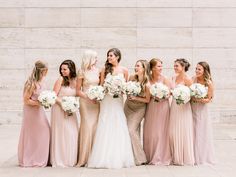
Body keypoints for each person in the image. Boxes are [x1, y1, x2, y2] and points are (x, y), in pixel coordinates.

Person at [87, 48, 135, 169]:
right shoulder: (104, 69)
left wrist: (123, 90)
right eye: (108, 55)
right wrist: (100, 93)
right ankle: (103, 157)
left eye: (111, 55)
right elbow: (102, 85)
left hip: (117, 100)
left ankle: (120, 156)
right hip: (107, 100)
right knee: (105, 123)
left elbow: (125, 87)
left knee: (118, 122)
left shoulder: (124, 70)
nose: (109, 57)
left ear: (118, 57)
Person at [18, 60, 50, 167]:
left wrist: (47, 101)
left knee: (44, 132)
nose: (47, 72)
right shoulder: (31, 83)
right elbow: (26, 100)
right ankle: (31, 158)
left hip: (39, 111)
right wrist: (39, 103)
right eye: (46, 70)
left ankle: (40, 157)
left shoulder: (43, 82)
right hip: (31, 112)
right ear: (42, 71)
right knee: (32, 135)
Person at [50, 60, 79, 167]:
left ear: (71, 69)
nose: (62, 71)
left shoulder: (75, 80)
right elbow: (54, 95)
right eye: (61, 69)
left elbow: (77, 95)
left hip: (71, 110)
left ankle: (70, 159)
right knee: (61, 134)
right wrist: (63, 104)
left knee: (72, 133)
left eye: (65, 69)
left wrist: (73, 105)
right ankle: (60, 159)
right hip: (59, 109)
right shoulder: (60, 79)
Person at [143, 58, 172, 165]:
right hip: (151, 106)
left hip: (163, 107)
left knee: (160, 132)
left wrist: (162, 95)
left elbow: (170, 93)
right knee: (150, 131)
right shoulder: (148, 79)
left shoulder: (165, 79)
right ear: (152, 68)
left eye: (161, 66)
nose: (161, 68)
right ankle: (149, 155)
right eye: (158, 66)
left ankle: (161, 155)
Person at [76, 50, 100, 167]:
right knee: (87, 127)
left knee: (95, 127)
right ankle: (83, 158)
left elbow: (100, 86)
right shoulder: (81, 71)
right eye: (95, 58)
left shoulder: (98, 71)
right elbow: (78, 90)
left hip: (96, 102)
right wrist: (88, 97)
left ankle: (93, 157)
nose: (97, 60)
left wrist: (97, 95)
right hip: (85, 102)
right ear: (89, 58)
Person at [124, 59, 150, 165]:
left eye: (138, 66)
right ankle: (131, 157)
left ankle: (141, 158)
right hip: (128, 107)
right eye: (135, 66)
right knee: (131, 131)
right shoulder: (131, 78)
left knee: (131, 130)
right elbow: (126, 90)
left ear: (144, 68)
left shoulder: (147, 84)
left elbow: (147, 100)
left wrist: (136, 98)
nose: (136, 67)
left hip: (139, 109)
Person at [169, 58, 195, 165]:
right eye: (174, 66)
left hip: (184, 107)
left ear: (183, 67)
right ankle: (175, 155)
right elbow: (172, 91)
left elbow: (192, 95)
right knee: (173, 131)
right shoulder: (173, 77)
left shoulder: (188, 79)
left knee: (183, 130)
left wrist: (184, 97)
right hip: (174, 106)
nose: (174, 68)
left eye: (177, 66)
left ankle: (183, 157)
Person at [191, 61, 216, 165]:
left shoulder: (208, 83)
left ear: (205, 70)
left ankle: (201, 157)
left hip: (202, 110)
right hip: (192, 108)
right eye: (196, 68)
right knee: (192, 131)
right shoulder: (193, 79)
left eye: (199, 69)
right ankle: (192, 156)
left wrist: (199, 99)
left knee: (201, 131)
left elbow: (209, 99)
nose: (197, 71)